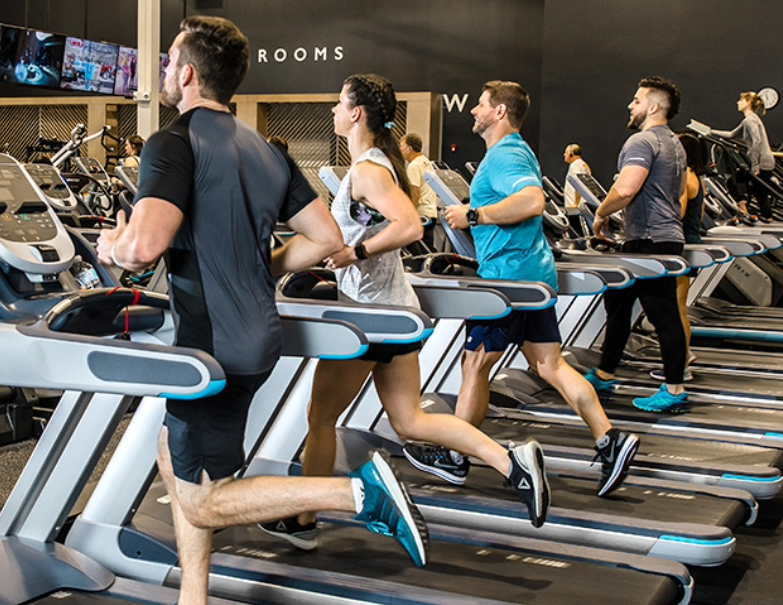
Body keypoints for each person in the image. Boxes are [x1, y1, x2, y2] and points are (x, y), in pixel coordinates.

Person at [96, 16, 429, 605]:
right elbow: (324, 236)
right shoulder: (266, 149)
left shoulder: (171, 143)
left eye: (170, 62)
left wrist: (113, 245)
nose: (165, 72)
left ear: (189, 73)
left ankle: (357, 495)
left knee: (201, 497)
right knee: (178, 459)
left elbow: (143, 247)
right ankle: (192, 596)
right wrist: (263, 267)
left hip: (211, 344)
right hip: (254, 335)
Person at [258, 75, 550, 553]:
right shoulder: (373, 165)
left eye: (338, 102)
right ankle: (510, 461)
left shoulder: (370, 171)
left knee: (320, 416)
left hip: (371, 318)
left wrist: (356, 252)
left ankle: (305, 518)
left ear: (356, 114)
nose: (334, 109)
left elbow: (409, 226)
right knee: (410, 420)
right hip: (393, 313)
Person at [443, 80, 639, 497]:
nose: (473, 112)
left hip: (508, 281)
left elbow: (533, 202)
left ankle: (457, 456)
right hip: (532, 274)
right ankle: (610, 441)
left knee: (475, 365)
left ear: (498, 111)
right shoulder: (516, 152)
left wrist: (473, 215)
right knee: (549, 366)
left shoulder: (505, 155)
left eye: (480, 105)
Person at [584, 77, 692, 414]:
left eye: (636, 100)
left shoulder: (641, 141)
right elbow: (674, 194)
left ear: (653, 107)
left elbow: (627, 189)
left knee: (663, 315)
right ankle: (604, 373)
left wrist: (600, 213)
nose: (631, 106)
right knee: (617, 304)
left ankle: (674, 388)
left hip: (649, 242)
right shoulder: (675, 144)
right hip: (651, 238)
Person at [649, 133, 706, 383]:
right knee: (679, 306)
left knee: (677, 309)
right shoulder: (698, 179)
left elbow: (678, 211)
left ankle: (680, 366)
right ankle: (685, 355)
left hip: (680, 245)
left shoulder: (686, 178)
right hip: (690, 240)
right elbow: (700, 213)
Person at [712, 91, 776, 220]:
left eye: (740, 101)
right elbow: (731, 134)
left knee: (750, 187)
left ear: (748, 103)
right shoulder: (749, 119)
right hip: (764, 160)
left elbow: (756, 142)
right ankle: (747, 207)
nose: (738, 102)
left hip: (762, 161)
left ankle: (744, 206)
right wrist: (710, 131)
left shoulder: (750, 121)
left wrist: (755, 166)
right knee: (759, 192)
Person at [399, 132, 440, 250]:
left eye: (401, 146)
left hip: (420, 215)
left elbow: (415, 193)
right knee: (428, 250)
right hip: (430, 213)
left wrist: (408, 217)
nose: (400, 149)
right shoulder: (426, 162)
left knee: (418, 253)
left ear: (409, 149)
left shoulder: (414, 166)